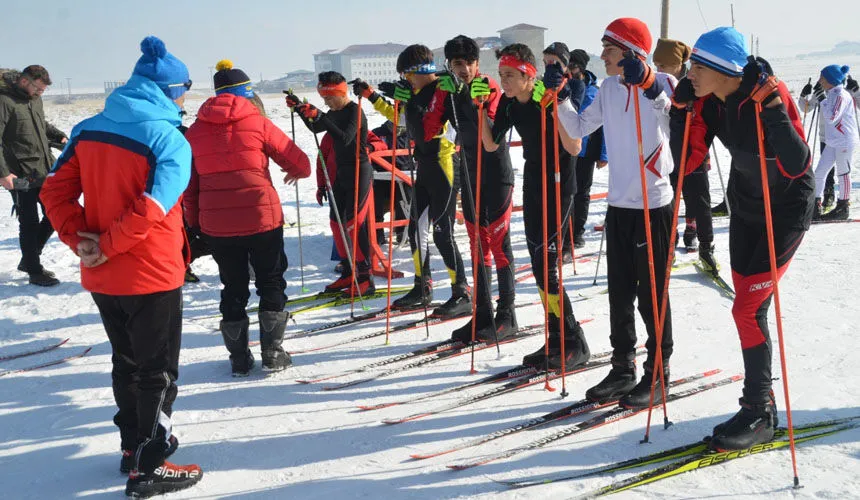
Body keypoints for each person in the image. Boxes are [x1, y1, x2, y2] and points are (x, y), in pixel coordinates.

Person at [39, 36, 202, 497]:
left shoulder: (88, 129)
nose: (185, 99)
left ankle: (133, 447)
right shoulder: (169, 139)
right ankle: (150, 465)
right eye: (185, 90)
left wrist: (82, 241)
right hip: (151, 272)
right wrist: (106, 246)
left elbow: (53, 191)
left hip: (104, 276)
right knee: (157, 372)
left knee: (126, 363)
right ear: (171, 91)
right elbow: (154, 207)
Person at [673, 27, 813, 449]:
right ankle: (760, 406)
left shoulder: (768, 92)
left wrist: (772, 108)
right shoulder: (709, 101)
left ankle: (758, 412)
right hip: (747, 208)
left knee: (747, 309)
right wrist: (680, 112)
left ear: (724, 70)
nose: (690, 73)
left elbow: (797, 163)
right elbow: (686, 161)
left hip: (785, 210)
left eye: (698, 67)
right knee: (749, 310)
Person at [556, 18, 677, 409]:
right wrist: (561, 97)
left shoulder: (665, 83)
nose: (602, 55)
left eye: (609, 49)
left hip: (653, 205)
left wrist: (650, 85)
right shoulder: (608, 88)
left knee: (651, 296)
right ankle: (623, 367)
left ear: (631, 52)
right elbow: (579, 129)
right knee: (620, 294)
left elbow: (675, 122)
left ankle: (657, 372)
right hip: (619, 205)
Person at [185, 60, 310, 376]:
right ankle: (273, 352)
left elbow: (190, 187)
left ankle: (239, 359)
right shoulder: (258, 123)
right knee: (270, 280)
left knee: (232, 285)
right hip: (261, 216)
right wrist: (293, 171)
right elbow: (301, 163)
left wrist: (196, 223)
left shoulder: (195, 132)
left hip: (217, 224)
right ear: (246, 93)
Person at [478, 43, 590, 369]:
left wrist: (555, 106)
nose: (504, 82)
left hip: (558, 183)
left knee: (548, 268)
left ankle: (574, 340)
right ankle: (556, 337)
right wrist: (482, 108)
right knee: (539, 267)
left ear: (529, 75)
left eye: (510, 75)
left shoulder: (547, 95)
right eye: (501, 75)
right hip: (533, 182)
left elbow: (574, 146)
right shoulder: (510, 103)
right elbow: (490, 143)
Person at [352, 45, 472, 319]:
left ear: (420, 71)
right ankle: (422, 287)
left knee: (443, 234)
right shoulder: (417, 92)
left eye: (407, 75)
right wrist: (372, 96)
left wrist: (411, 101)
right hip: (425, 167)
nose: (405, 80)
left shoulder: (443, 89)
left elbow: (431, 127)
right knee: (416, 231)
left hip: (444, 166)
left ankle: (462, 292)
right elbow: (403, 120)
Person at [437, 34, 518, 342]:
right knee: (476, 245)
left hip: (496, 174)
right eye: (457, 64)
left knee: (499, 244)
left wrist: (475, 100)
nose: (463, 70)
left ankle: (507, 314)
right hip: (471, 174)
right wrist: (435, 96)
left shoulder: (488, 86)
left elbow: (493, 134)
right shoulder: (452, 91)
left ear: (476, 63)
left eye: (468, 63)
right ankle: (482, 313)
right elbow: (433, 127)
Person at [287, 71, 374, 295]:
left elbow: (345, 137)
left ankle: (365, 277)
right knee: (336, 223)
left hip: (359, 171)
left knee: (353, 224)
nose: (326, 103)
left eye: (329, 98)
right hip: (341, 174)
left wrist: (320, 116)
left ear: (340, 93)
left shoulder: (355, 111)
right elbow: (316, 128)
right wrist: (301, 110)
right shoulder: (334, 112)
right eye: (323, 99)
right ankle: (348, 272)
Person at [0, 65, 67, 286]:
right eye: (38, 88)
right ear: (24, 81)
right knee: (28, 222)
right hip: (20, 174)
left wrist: (59, 136)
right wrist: (3, 173)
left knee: (54, 214)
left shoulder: (35, 100)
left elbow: (40, 124)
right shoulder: (4, 102)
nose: (40, 93)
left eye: (43, 90)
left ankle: (29, 259)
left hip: (44, 169)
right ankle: (34, 270)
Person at [654, 38, 718, 271]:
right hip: (667, 153)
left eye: (664, 65)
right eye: (657, 65)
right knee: (668, 201)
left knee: (698, 201)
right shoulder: (658, 83)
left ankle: (704, 244)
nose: (659, 70)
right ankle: (669, 245)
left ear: (678, 65)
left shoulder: (694, 83)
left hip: (695, 152)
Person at [566, 49, 608, 250]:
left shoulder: (594, 91)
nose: (569, 71)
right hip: (565, 147)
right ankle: (564, 231)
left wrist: (604, 154)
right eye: (567, 66)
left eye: (573, 67)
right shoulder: (563, 86)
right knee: (565, 191)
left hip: (586, 150)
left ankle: (577, 232)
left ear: (581, 69)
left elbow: (604, 125)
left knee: (581, 192)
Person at [810, 64, 857, 220]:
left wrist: (822, 99)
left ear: (831, 79)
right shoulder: (831, 93)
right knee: (819, 172)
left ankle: (843, 207)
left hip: (844, 140)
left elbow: (831, 117)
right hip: (833, 141)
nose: (820, 81)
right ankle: (815, 206)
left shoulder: (840, 95)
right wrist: (822, 98)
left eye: (822, 78)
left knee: (843, 173)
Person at [368, 120, 410, 246]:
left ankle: (402, 231)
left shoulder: (410, 134)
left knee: (404, 198)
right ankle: (377, 233)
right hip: (381, 176)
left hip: (403, 177)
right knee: (376, 198)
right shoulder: (378, 133)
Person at [798, 80, 837, 211]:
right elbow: (806, 108)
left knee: (840, 170)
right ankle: (826, 195)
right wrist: (803, 96)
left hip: (839, 137)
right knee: (825, 169)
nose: (821, 80)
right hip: (824, 137)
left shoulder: (839, 92)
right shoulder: (821, 90)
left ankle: (836, 196)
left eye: (823, 78)